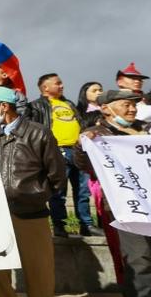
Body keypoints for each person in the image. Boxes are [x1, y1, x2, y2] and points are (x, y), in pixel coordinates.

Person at [0, 87, 65, 297]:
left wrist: (35, 196)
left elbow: (57, 175)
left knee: (39, 272)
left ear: (4, 107)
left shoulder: (39, 133)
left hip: (31, 215)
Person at [74, 90, 151, 297]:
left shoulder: (149, 130)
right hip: (128, 207)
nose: (132, 108)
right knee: (139, 259)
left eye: (134, 104)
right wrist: (81, 146)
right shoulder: (97, 135)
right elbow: (84, 165)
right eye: (126, 104)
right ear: (106, 109)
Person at [28, 73, 102, 237]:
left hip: (77, 150)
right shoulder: (36, 106)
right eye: (57, 83)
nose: (62, 86)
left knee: (83, 191)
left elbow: (81, 123)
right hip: (56, 151)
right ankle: (59, 226)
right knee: (58, 192)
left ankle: (86, 224)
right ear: (45, 87)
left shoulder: (68, 104)